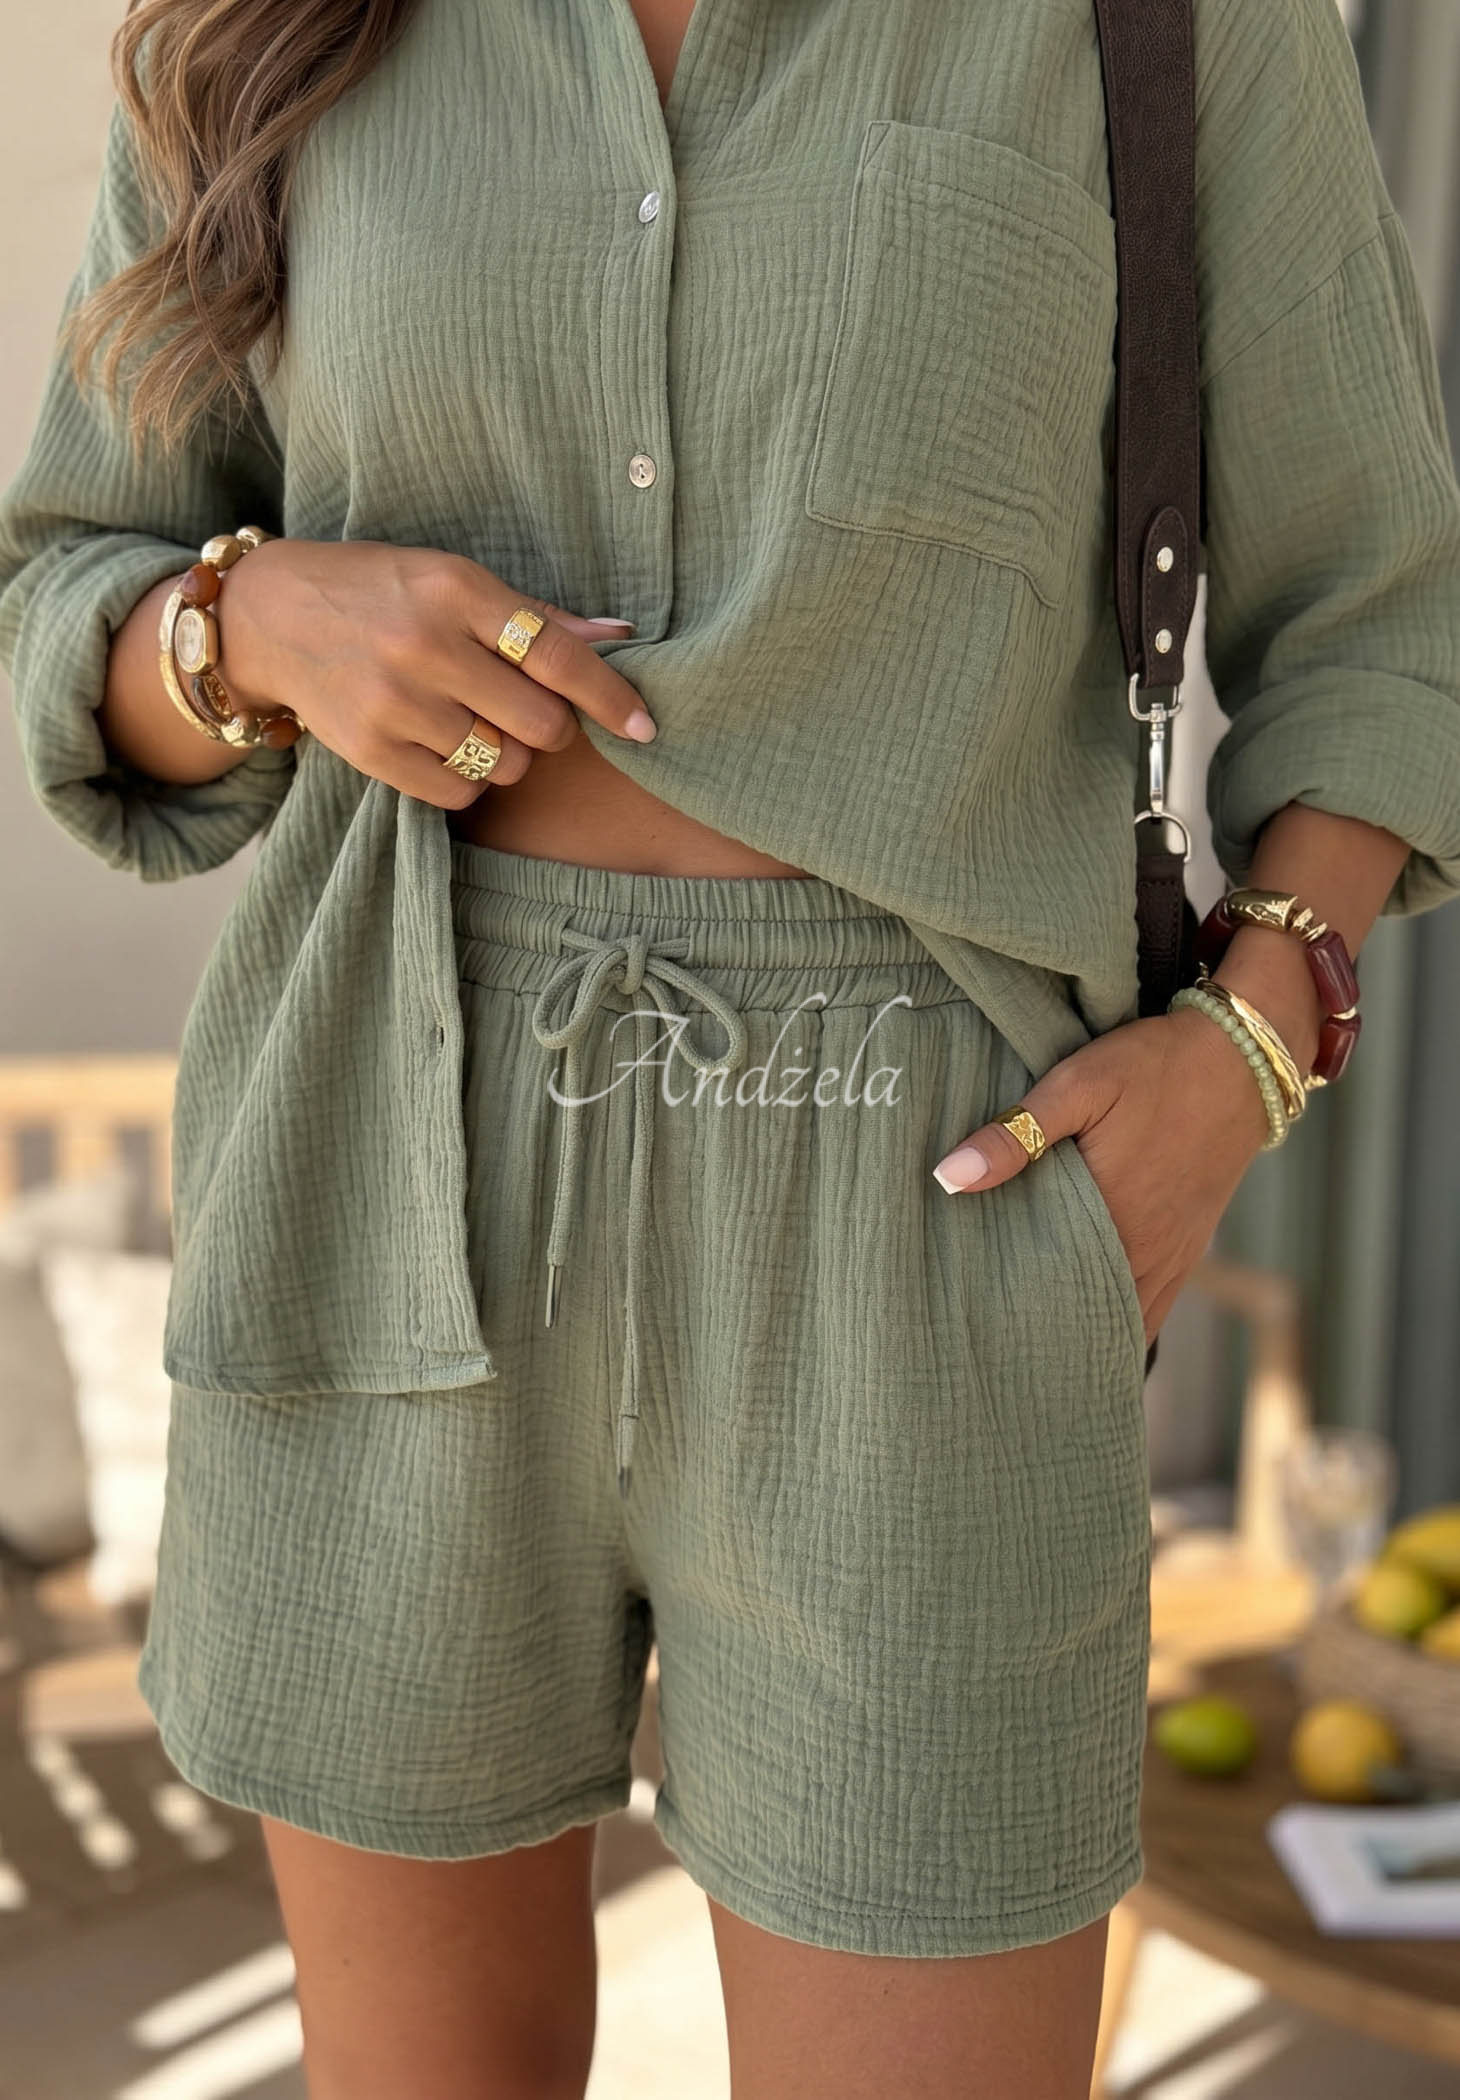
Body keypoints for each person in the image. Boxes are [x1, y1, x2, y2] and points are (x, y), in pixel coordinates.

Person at [2, 0, 1458, 2092]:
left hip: (930, 1198)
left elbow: (1387, 614)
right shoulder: (266, 26)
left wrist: (1248, 1048)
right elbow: (70, 589)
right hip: (390, 1138)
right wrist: (249, 629)